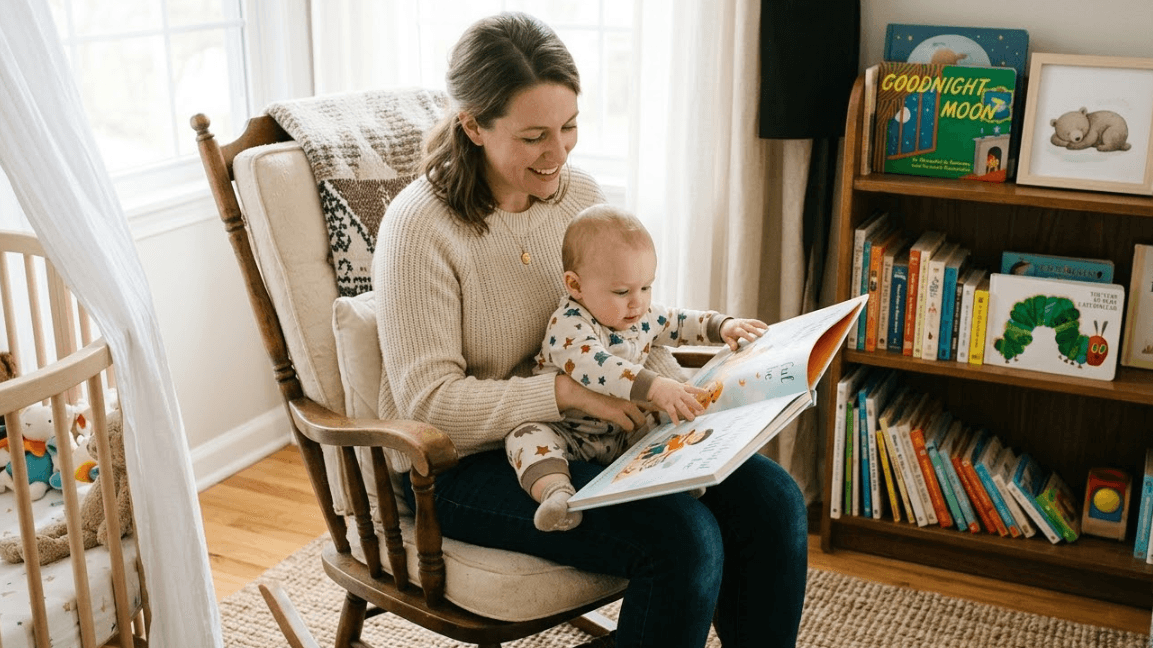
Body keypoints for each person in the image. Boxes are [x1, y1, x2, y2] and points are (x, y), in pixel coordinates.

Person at [373, 11, 808, 648]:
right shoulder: (420, 228)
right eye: (533, 137)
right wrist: (568, 396)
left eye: (570, 126)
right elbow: (431, 407)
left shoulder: (578, 197)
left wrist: (687, 403)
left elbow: (634, 329)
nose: (558, 153)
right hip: (469, 466)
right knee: (684, 541)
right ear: (472, 125)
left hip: (595, 430)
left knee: (774, 502)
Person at [507, 204, 768, 532]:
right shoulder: (568, 325)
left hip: (623, 432)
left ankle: (676, 472)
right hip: (567, 433)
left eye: (646, 287)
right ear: (575, 286)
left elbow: (677, 321)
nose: (638, 302)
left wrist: (721, 326)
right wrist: (655, 386)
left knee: (668, 420)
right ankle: (556, 495)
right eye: (621, 292)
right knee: (524, 437)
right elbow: (599, 367)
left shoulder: (641, 314)